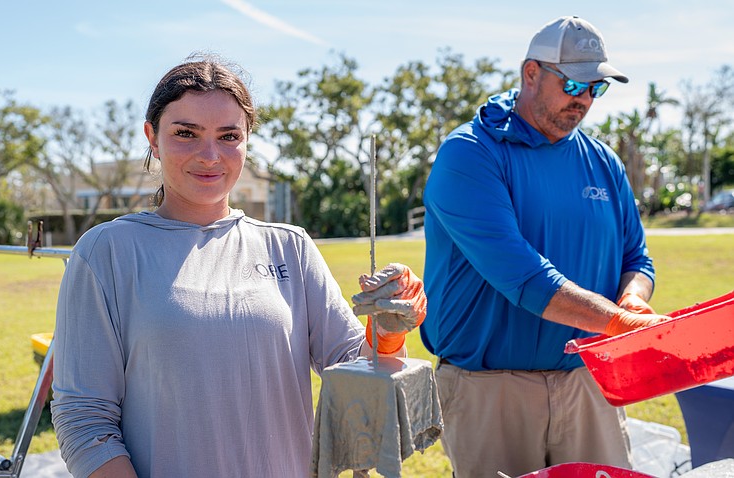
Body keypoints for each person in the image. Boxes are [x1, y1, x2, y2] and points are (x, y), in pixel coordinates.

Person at [49, 54, 427, 478]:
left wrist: (389, 330)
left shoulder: (290, 247)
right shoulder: (107, 252)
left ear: (247, 140)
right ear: (152, 138)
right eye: (186, 133)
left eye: (229, 136)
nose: (210, 155)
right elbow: (85, 420)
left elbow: (355, 366)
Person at [419, 16, 672, 478]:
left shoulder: (604, 163)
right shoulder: (470, 154)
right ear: (530, 73)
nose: (583, 99)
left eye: (596, 87)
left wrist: (633, 296)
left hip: (589, 383)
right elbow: (525, 279)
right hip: (490, 390)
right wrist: (620, 321)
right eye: (573, 82)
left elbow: (637, 259)